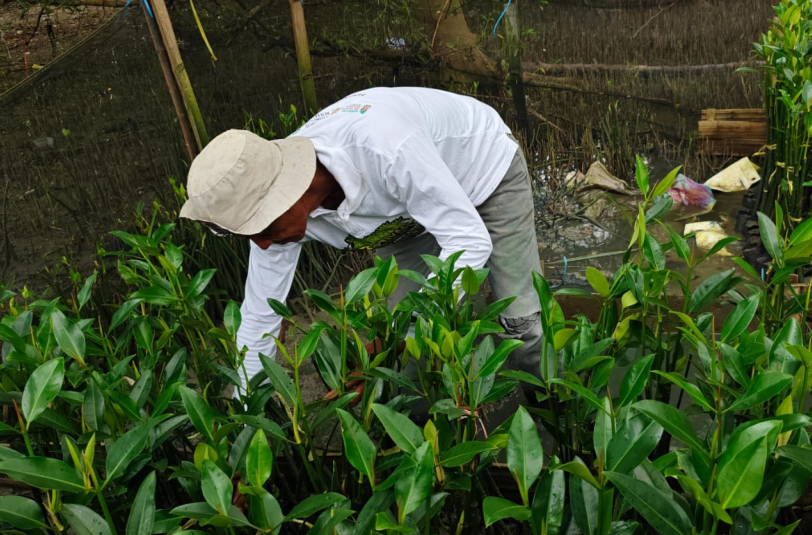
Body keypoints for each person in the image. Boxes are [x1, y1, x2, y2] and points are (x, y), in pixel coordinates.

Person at [178, 87, 543, 394]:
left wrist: (389, 342)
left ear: (285, 193)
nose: (260, 245)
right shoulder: (272, 222)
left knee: (520, 324)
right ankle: (423, 435)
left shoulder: (386, 149)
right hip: (404, 214)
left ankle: (552, 412)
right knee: (406, 354)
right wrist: (245, 419)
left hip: (483, 170)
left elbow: (470, 240)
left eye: (260, 229)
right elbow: (259, 318)